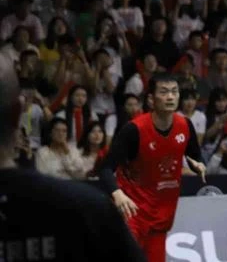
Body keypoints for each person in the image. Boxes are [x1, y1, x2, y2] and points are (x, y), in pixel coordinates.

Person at [0, 81, 145, 261]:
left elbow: (79, 173)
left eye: (64, 131)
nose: (61, 134)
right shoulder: (91, 207)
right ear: (17, 114)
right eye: (57, 131)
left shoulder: (91, 203)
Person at [98, 74, 207, 262]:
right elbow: (105, 168)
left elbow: (193, 154)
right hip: (132, 212)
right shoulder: (133, 130)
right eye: (164, 92)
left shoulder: (185, 126)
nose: (171, 97)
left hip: (161, 216)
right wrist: (118, 194)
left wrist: (197, 164)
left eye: (174, 92)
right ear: (151, 99)